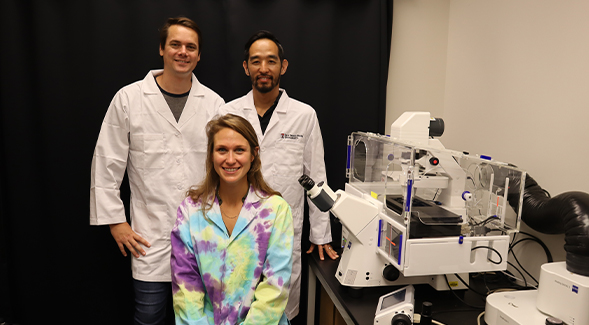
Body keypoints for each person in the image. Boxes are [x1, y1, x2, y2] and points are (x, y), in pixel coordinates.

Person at [90, 17, 224, 325]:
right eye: (175, 44)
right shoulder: (129, 99)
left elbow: (228, 167)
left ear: (199, 55)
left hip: (203, 234)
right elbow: (106, 162)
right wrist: (115, 222)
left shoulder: (215, 104)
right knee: (148, 315)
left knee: (199, 317)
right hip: (148, 234)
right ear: (161, 49)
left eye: (191, 47)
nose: (183, 52)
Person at [219, 30, 338, 320]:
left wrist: (320, 234)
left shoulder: (303, 115)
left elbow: (316, 176)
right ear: (246, 67)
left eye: (271, 61)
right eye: (256, 61)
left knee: (279, 312)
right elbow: (215, 170)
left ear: (282, 67)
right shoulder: (227, 112)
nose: (263, 68)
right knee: (235, 308)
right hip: (234, 230)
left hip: (284, 233)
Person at [171, 114, 294, 325]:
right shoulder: (191, 211)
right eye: (222, 150)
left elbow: (275, 287)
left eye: (239, 150)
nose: (230, 159)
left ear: (254, 154)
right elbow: (186, 286)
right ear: (211, 155)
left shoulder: (275, 210)